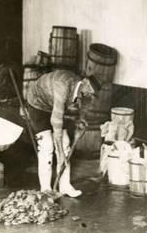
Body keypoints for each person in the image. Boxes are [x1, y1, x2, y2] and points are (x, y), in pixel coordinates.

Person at [26, 69, 101, 198]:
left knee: (65, 142)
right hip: (38, 104)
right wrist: (60, 154)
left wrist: (81, 119)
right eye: (89, 91)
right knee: (47, 145)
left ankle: (65, 186)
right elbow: (56, 121)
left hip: (54, 104)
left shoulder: (85, 90)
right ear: (84, 82)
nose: (89, 94)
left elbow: (86, 102)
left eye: (91, 93)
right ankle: (46, 189)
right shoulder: (62, 85)